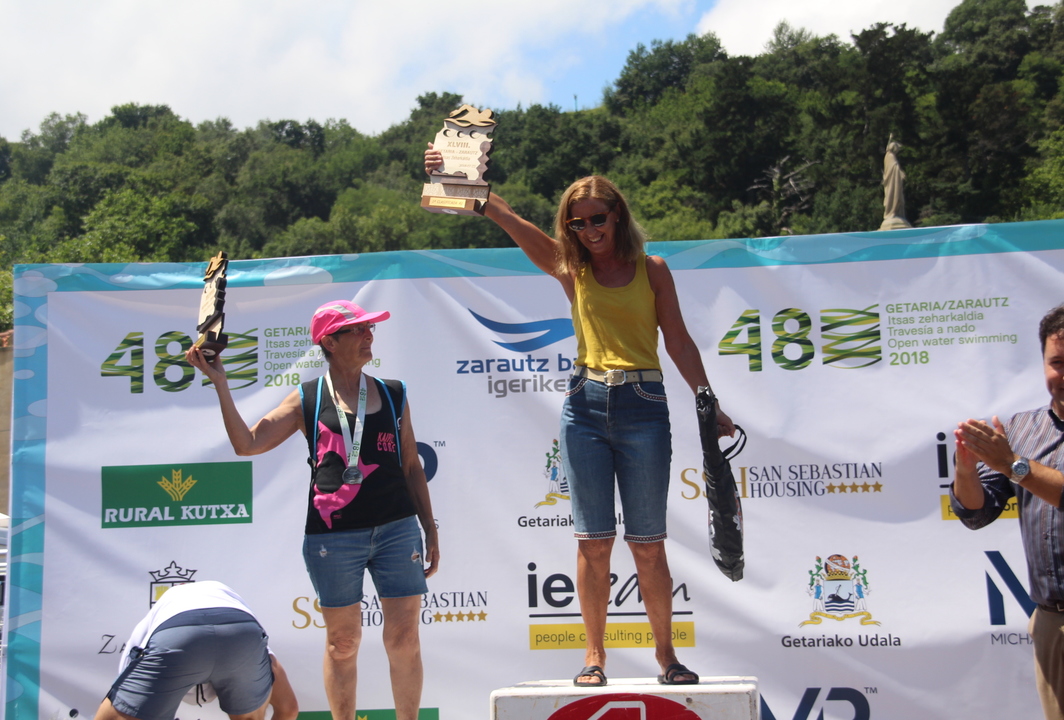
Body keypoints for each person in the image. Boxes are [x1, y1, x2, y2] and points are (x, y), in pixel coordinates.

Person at [426, 148, 733, 687]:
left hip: (644, 407)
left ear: (618, 215)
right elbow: (507, 217)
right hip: (585, 407)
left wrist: (709, 402)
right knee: (593, 542)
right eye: (578, 223)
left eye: (598, 218)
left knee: (648, 544)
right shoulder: (572, 270)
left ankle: (667, 657)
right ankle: (595, 657)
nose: (590, 230)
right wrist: (456, 175)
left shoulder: (652, 270)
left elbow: (679, 342)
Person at [186, 300, 439, 720]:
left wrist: (429, 528)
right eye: (357, 330)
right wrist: (220, 383)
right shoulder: (308, 398)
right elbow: (247, 444)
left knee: (404, 638)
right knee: (342, 644)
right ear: (329, 342)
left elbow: (411, 465)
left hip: (397, 529)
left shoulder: (394, 393)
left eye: (370, 328)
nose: (368, 335)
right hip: (334, 537)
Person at [951, 303, 1064, 719]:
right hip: (1052, 623)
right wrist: (967, 469)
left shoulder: (1013, 453)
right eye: (1057, 363)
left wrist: (1013, 465)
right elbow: (976, 513)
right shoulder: (1020, 430)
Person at [93, 580, 298, 720]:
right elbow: (288, 709)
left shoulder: (161, 611)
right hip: (241, 630)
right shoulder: (226, 599)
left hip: (179, 632)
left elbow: (126, 684)